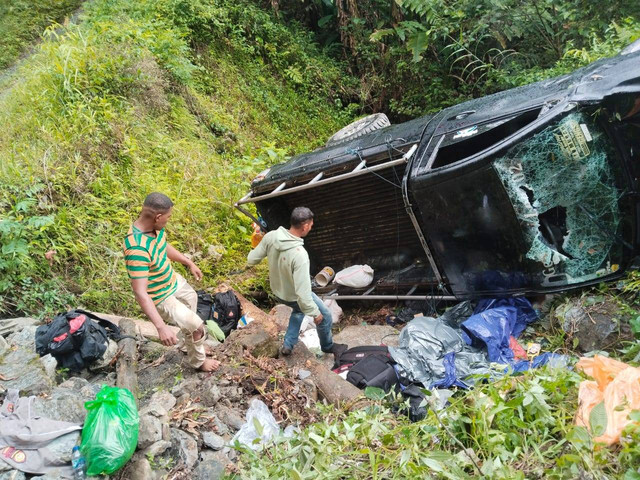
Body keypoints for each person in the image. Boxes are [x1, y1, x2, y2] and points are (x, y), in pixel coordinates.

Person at [123, 192, 219, 371]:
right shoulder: (137, 249)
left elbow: (163, 245)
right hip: (160, 296)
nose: (168, 221)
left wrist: (187, 262)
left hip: (173, 280)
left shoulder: (155, 228)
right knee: (197, 327)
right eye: (167, 218)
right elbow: (140, 292)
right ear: (158, 217)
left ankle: (189, 345)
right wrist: (160, 327)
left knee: (192, 301)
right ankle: (198, 362)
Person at [247, 207, 346, 356]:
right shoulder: (300, 255)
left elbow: (251, 259)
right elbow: (302, 293)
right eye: (311, 225)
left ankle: (288, 345)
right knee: (325, 315)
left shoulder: (272, 236)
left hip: (277, 291)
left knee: (298, 310)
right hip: (293, 295)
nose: (311, 228)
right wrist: (315, 313)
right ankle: (328, 346)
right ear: (305, 226)